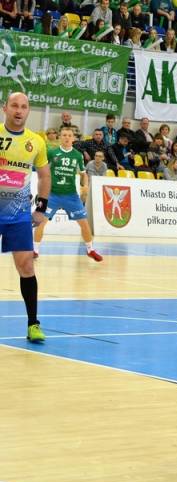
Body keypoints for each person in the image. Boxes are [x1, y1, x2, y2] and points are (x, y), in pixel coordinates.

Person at [0, 93, 52, 343]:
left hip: (18, 214)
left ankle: (33, 324)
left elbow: (44, 176)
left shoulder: (36, 141)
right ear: (5, 108)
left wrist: (41, 208)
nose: (19, 110)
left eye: (23, 107)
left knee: (27, 266)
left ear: (28, 111)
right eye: (14, 106)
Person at [34, 126, 103, 262]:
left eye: (69, 135)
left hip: (71, 195)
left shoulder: (77, 155)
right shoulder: (52, 153)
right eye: (64, 135)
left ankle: (90, 250)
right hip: (52, 194)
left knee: (84, 223)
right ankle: (35, 250)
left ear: (73, 138)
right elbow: (42, 170)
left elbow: (84, 174)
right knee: (41, 222)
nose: (66, 137)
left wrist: (85, 186)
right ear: (60, 137)